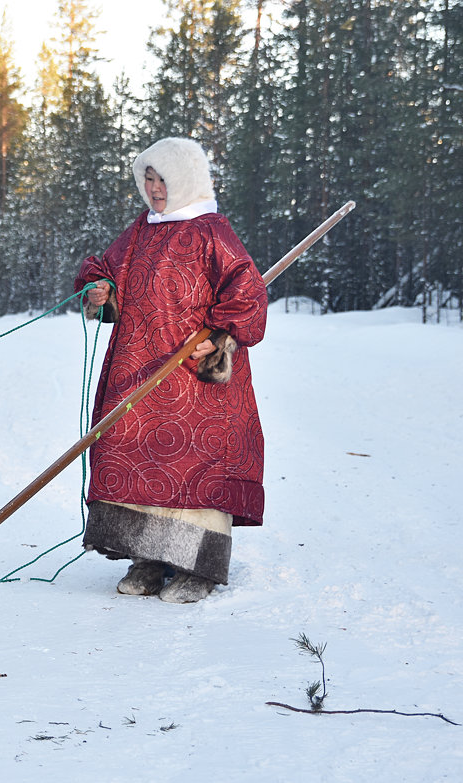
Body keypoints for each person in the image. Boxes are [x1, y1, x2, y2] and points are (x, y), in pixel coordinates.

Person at [74, 137, 268, 604]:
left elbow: (248, 293)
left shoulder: (211, 231)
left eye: (162, 178)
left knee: (195, 463)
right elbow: (104, 268)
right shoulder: (142, 229)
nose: (154, 188)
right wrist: (100, 288)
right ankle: (148, 557)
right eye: (147, 178)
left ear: (185, 179)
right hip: (138, 366)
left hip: (194, 370)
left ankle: (197, 566)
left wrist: (220, 335)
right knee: (131, 450)